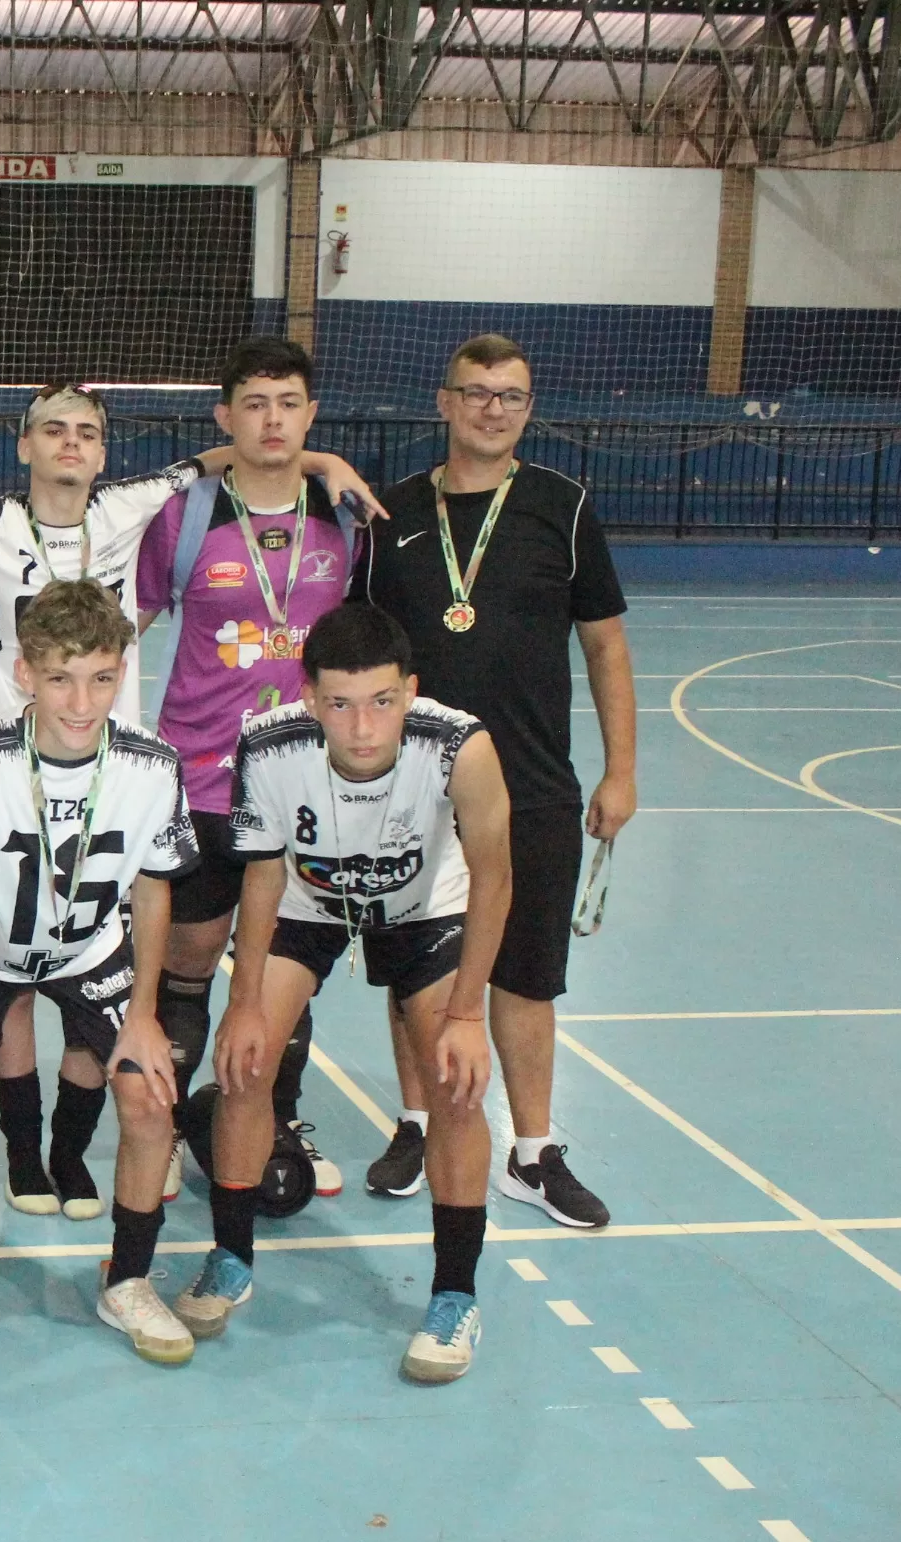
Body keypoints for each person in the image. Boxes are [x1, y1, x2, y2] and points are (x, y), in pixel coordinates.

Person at [0, 382, 380, 1219]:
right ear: (23, 446)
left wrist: (318, 458)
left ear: (103, 451)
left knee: (99, 975)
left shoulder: (131, 507)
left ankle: (73, 1149)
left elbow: (229, 454)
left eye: (86, 432)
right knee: (2, 979)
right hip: (8, 790)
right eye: (52, 429)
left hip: (108, 791)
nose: (69, 443)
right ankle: (11, 1154)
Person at [180, 602, 511, 1383]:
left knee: (455, 1084)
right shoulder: (270, 745)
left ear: (411, 690)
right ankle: (231, 1258)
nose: (362, 727)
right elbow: (263, 875)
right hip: (308, 903)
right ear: (308, 696)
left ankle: (454, 1296)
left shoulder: (460, 747)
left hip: (424, 908)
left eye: (382, 701)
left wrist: (469, 1013)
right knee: (245, 1068)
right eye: (340, 704)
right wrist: (245, 1004)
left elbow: (496, 878)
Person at [355, 334, 635, 1230]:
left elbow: (605, 645)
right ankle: (415, 1123)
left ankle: (533, 1150)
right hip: (412, 787)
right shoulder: (392, 513)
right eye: (475, 392)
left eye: (510, 395)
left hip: (534, 784)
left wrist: (621, 770)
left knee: (527, 972)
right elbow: (360, 654)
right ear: (444, 402)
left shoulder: (563, 507)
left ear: (528, 408)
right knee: (413, 967)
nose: (492, 409)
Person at [0, 578, 200, 1376]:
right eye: (62, 678)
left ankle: (129, 1280)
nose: (82, 701)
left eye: (102, 678)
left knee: (150, 1099)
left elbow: (153, 889)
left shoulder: (151, 765)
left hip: (89, 952)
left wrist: (144, 1013)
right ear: (25, 673)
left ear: (122, 673)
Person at [136, 337, 368, 1208]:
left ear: (311, 415)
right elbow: (127, 625)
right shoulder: (185, 516)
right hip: (201, 781)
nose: (272, 420)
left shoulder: (344, 515)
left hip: (305, 784)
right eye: (255, 403)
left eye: (289, 403)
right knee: (188, 967)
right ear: (224, 416)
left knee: (283, 971)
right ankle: (162, 1126)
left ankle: (279, 1119)